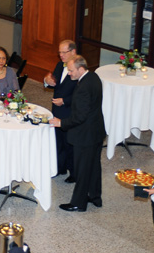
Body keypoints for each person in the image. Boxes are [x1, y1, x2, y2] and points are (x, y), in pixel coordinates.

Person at [50, 55, 106, 212]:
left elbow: (79, 117)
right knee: (94, 166)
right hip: (96, 131)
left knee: (81, 169)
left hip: (85, 136)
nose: (69, 73)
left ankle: (78, 203)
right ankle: (95, 197)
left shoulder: (82, 88)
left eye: (71, 70)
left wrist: (61, 122)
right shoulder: (94, 77)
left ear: (81, 69)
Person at [43, 40, 78, 183]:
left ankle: (74, 172)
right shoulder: (60, 65)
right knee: (58, 141)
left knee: (70, 143)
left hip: (70, 112)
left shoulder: (78, 68)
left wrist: (65, 101)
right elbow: (54, 82)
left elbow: (80, 94)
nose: (61, 55)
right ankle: (60, 167)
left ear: (73, 52)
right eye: (60, 52)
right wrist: (47, 81)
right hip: (57, 110)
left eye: (64, 52)